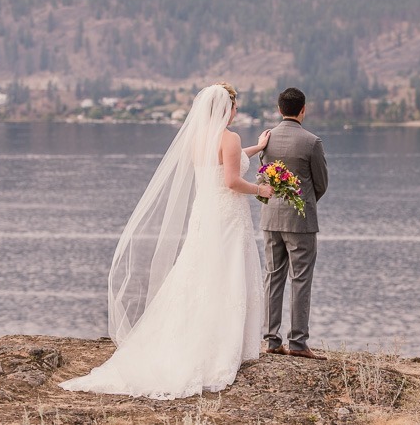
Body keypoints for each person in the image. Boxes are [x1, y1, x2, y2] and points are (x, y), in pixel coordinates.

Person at [59, 83, 274, 399]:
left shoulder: (199, 139)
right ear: (226, 109)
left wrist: (257, 148)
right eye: (235, 107)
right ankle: (221, 347)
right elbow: (231, 179)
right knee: (225, 276)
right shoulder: (229, 138)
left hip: (206, 215)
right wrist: (261, 191)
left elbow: (227, 161)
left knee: (199, 274)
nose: (237, 111)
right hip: (226, 217)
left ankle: (195, 336)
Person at [260, 87, 329, 360]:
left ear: (279, 110)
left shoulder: (266, 139)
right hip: (301, 221)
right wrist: (306, 203)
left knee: (272, 277)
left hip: (270, 218)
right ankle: (298, 343)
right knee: (300, 279)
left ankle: (271, 339)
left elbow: (263, 178)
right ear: (303, 109)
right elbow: (321, 183)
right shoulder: (312, 142)